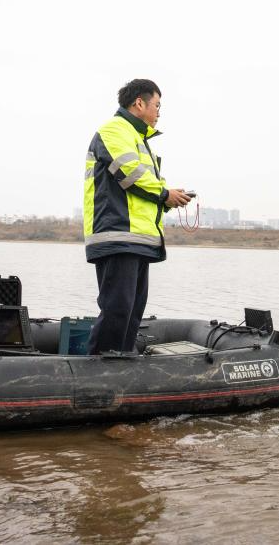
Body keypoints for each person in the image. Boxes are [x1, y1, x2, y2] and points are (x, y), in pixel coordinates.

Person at [83, 79, 191, 354]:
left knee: (132, 311)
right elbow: (131, 175)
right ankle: (100, 367)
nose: (159, 113)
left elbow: (143, 189)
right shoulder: (114, 130)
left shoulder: (140, 140)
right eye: (157, 105)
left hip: (138, 239)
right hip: (118, 234)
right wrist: (164, 194)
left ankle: (123, 363)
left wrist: (170, 198)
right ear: (139, 103)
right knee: (117, 309)